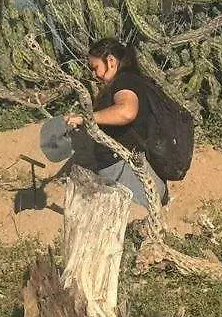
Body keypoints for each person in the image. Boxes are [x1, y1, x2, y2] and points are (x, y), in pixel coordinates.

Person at [63, 38, 169, 211]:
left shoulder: (125, 80)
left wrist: (86, 118)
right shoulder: (128, 81)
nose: (93, 74)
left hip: (126, 172)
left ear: (110, 60)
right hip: (125, 170)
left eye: (95, 67)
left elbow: (126, 112)